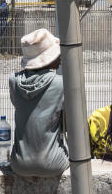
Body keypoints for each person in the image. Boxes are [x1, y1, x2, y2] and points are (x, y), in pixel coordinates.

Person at [8, 29, 69, 176]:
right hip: (52, 163)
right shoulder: (60, 83)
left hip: (18, 164)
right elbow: (66, 126)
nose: (60, 56)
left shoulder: (14, 81)